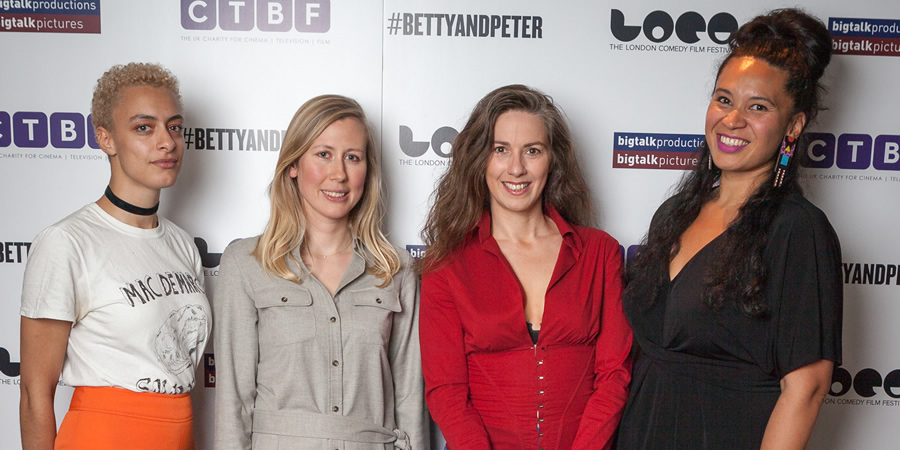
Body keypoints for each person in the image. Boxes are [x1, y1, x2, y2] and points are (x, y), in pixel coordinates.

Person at [617, 9, 842, 450]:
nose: (733, 119)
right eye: (724, 99)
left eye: (758, 107)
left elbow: (807, 389)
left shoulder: (798, 230)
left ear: (793, 125)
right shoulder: (674, 214)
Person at [419, 85, 633, 449]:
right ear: (479, 159)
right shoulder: (447, 266)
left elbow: (614, 375)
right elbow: (447, 392)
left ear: (553, 160)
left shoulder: (601, 253)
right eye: (500, 150)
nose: (516, 168)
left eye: (532, 151)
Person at [214, 95, 428, 449]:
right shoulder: (245, 262)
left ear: (367, 171)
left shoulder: (397, 269)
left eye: (353, 158)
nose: (339, 174)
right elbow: (232, 403)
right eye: (324, 154)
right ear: (294, 164)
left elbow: (409, 400)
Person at [19, 63, 210, 450]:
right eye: (144, 127)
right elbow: (34, 393)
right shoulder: (67, 242)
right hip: (103, 436)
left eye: (174, 126)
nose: (167, 142)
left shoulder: (181, 245)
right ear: (106, 139)